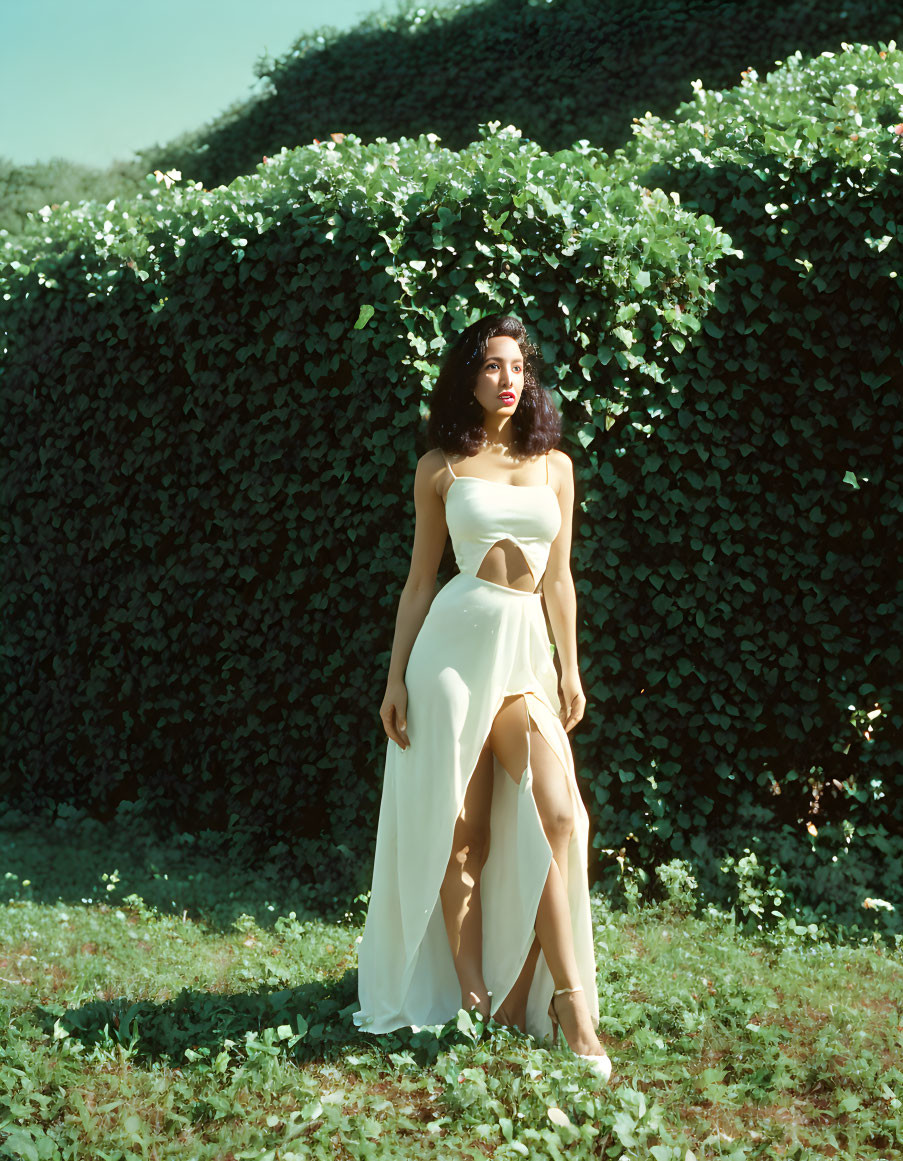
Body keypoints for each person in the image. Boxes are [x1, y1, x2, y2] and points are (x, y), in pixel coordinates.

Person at [352, 312, 611, 1082]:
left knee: (560, 814)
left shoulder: (554, 466)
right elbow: (417, 582)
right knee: (459, 833)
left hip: (525, 651)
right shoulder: (440, 464)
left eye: (518, 367)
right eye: (493, 366)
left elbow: (558, 578)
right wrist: (395, 677)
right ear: (468, 377)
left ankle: (562, 995)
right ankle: (472, 989)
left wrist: (570, 667)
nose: (508, 378)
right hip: (452, 655)